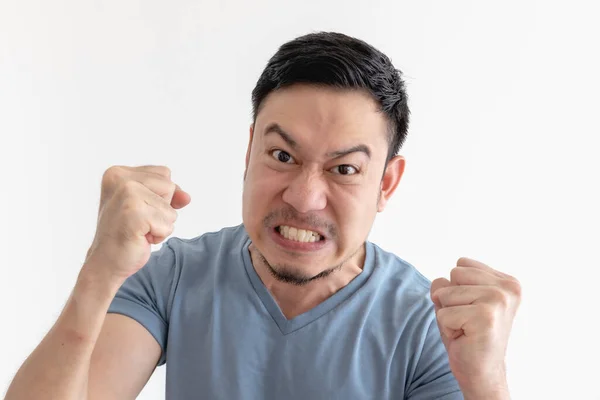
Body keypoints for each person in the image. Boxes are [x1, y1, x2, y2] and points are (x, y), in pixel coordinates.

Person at [4, 32, 521, 400]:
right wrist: (99, 273)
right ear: (250, 149)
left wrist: (487, 386)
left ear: (385, 183)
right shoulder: (176, 277)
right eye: (282, 156)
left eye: (343, 169)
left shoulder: (427, 328)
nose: (303, 197)